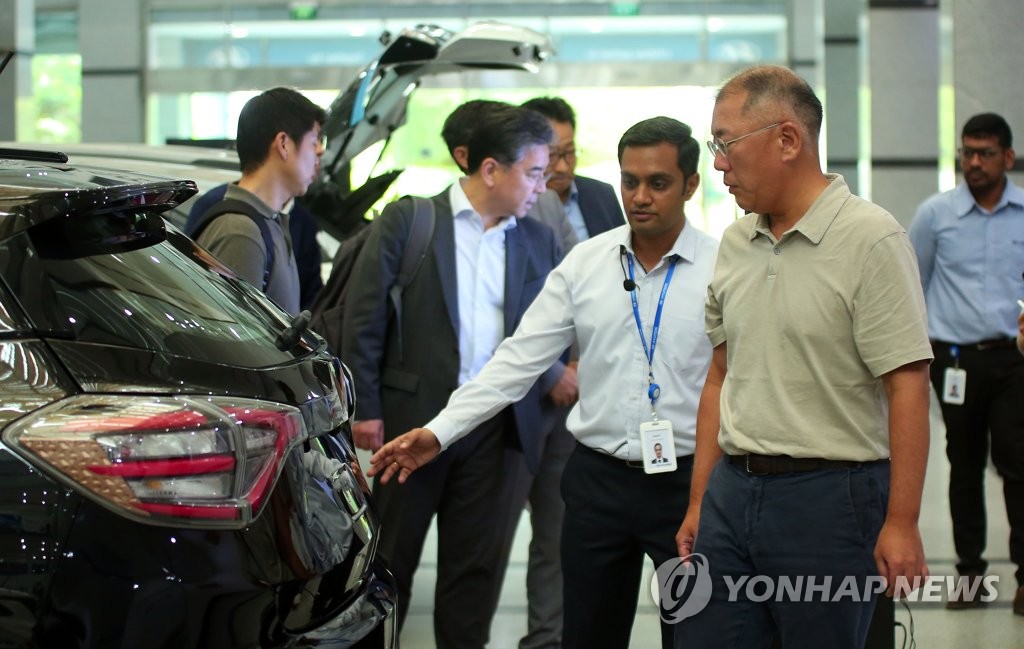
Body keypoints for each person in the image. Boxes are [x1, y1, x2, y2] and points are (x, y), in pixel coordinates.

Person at [368, 116, 718, 649]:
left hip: (689, 485)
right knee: (586, 636)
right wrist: (438, 432)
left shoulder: (722, 268)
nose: (640, 196)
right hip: (597, 483)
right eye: (629, 181)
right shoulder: (586, 263)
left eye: (659, 182)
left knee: (697, 636)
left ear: (691, 185)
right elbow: (517, 361)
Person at [675, 64, 932, 649]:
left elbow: (908, 385)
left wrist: (902, 522)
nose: (717, 163)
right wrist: (698, 502)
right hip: (731, 493)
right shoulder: (737, 241)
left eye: (725, 144)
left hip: (830, 499)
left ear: (788, 139)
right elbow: (720, 377)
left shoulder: (871, 239)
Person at [340, 104, 564, 649]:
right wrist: (364, 410)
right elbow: (363, 318)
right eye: (534, 172)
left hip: (496, 433)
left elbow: (545, 335)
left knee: (475, 577)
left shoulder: (537, 240)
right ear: (491, 170)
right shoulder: (411, 220)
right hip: (409, 426)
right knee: (387, 568)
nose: (544, 186)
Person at [506, 95, 627, 649]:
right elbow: (514, 310)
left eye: (569, 152)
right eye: (549, 154)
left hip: (591, 393)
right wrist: (555, 368)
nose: (559, 166)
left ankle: (549, 639)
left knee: (561, 534)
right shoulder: (515, 205)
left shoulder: (603, 199)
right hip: (527, 393)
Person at [908, 112, 1024, 615]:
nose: (973, 163)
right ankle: (970, 575)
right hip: (954, 362)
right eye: (967, 152)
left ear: (1007, 158)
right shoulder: (935, 215)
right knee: (964, 465)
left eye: (985, 153)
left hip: (1013, 362)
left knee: (1019, 466)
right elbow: (912, 286)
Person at [191, 87, 326, 314]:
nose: (320, 152)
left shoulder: (270, 223)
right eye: (314, 141)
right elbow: (233, 344)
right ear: (283, 144)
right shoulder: (240, 232)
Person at [187, 186, 323, 310]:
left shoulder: (291, 222)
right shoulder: (239, 228)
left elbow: (312, 292)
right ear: (284, 156)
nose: (317, 161)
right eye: (315, 156)